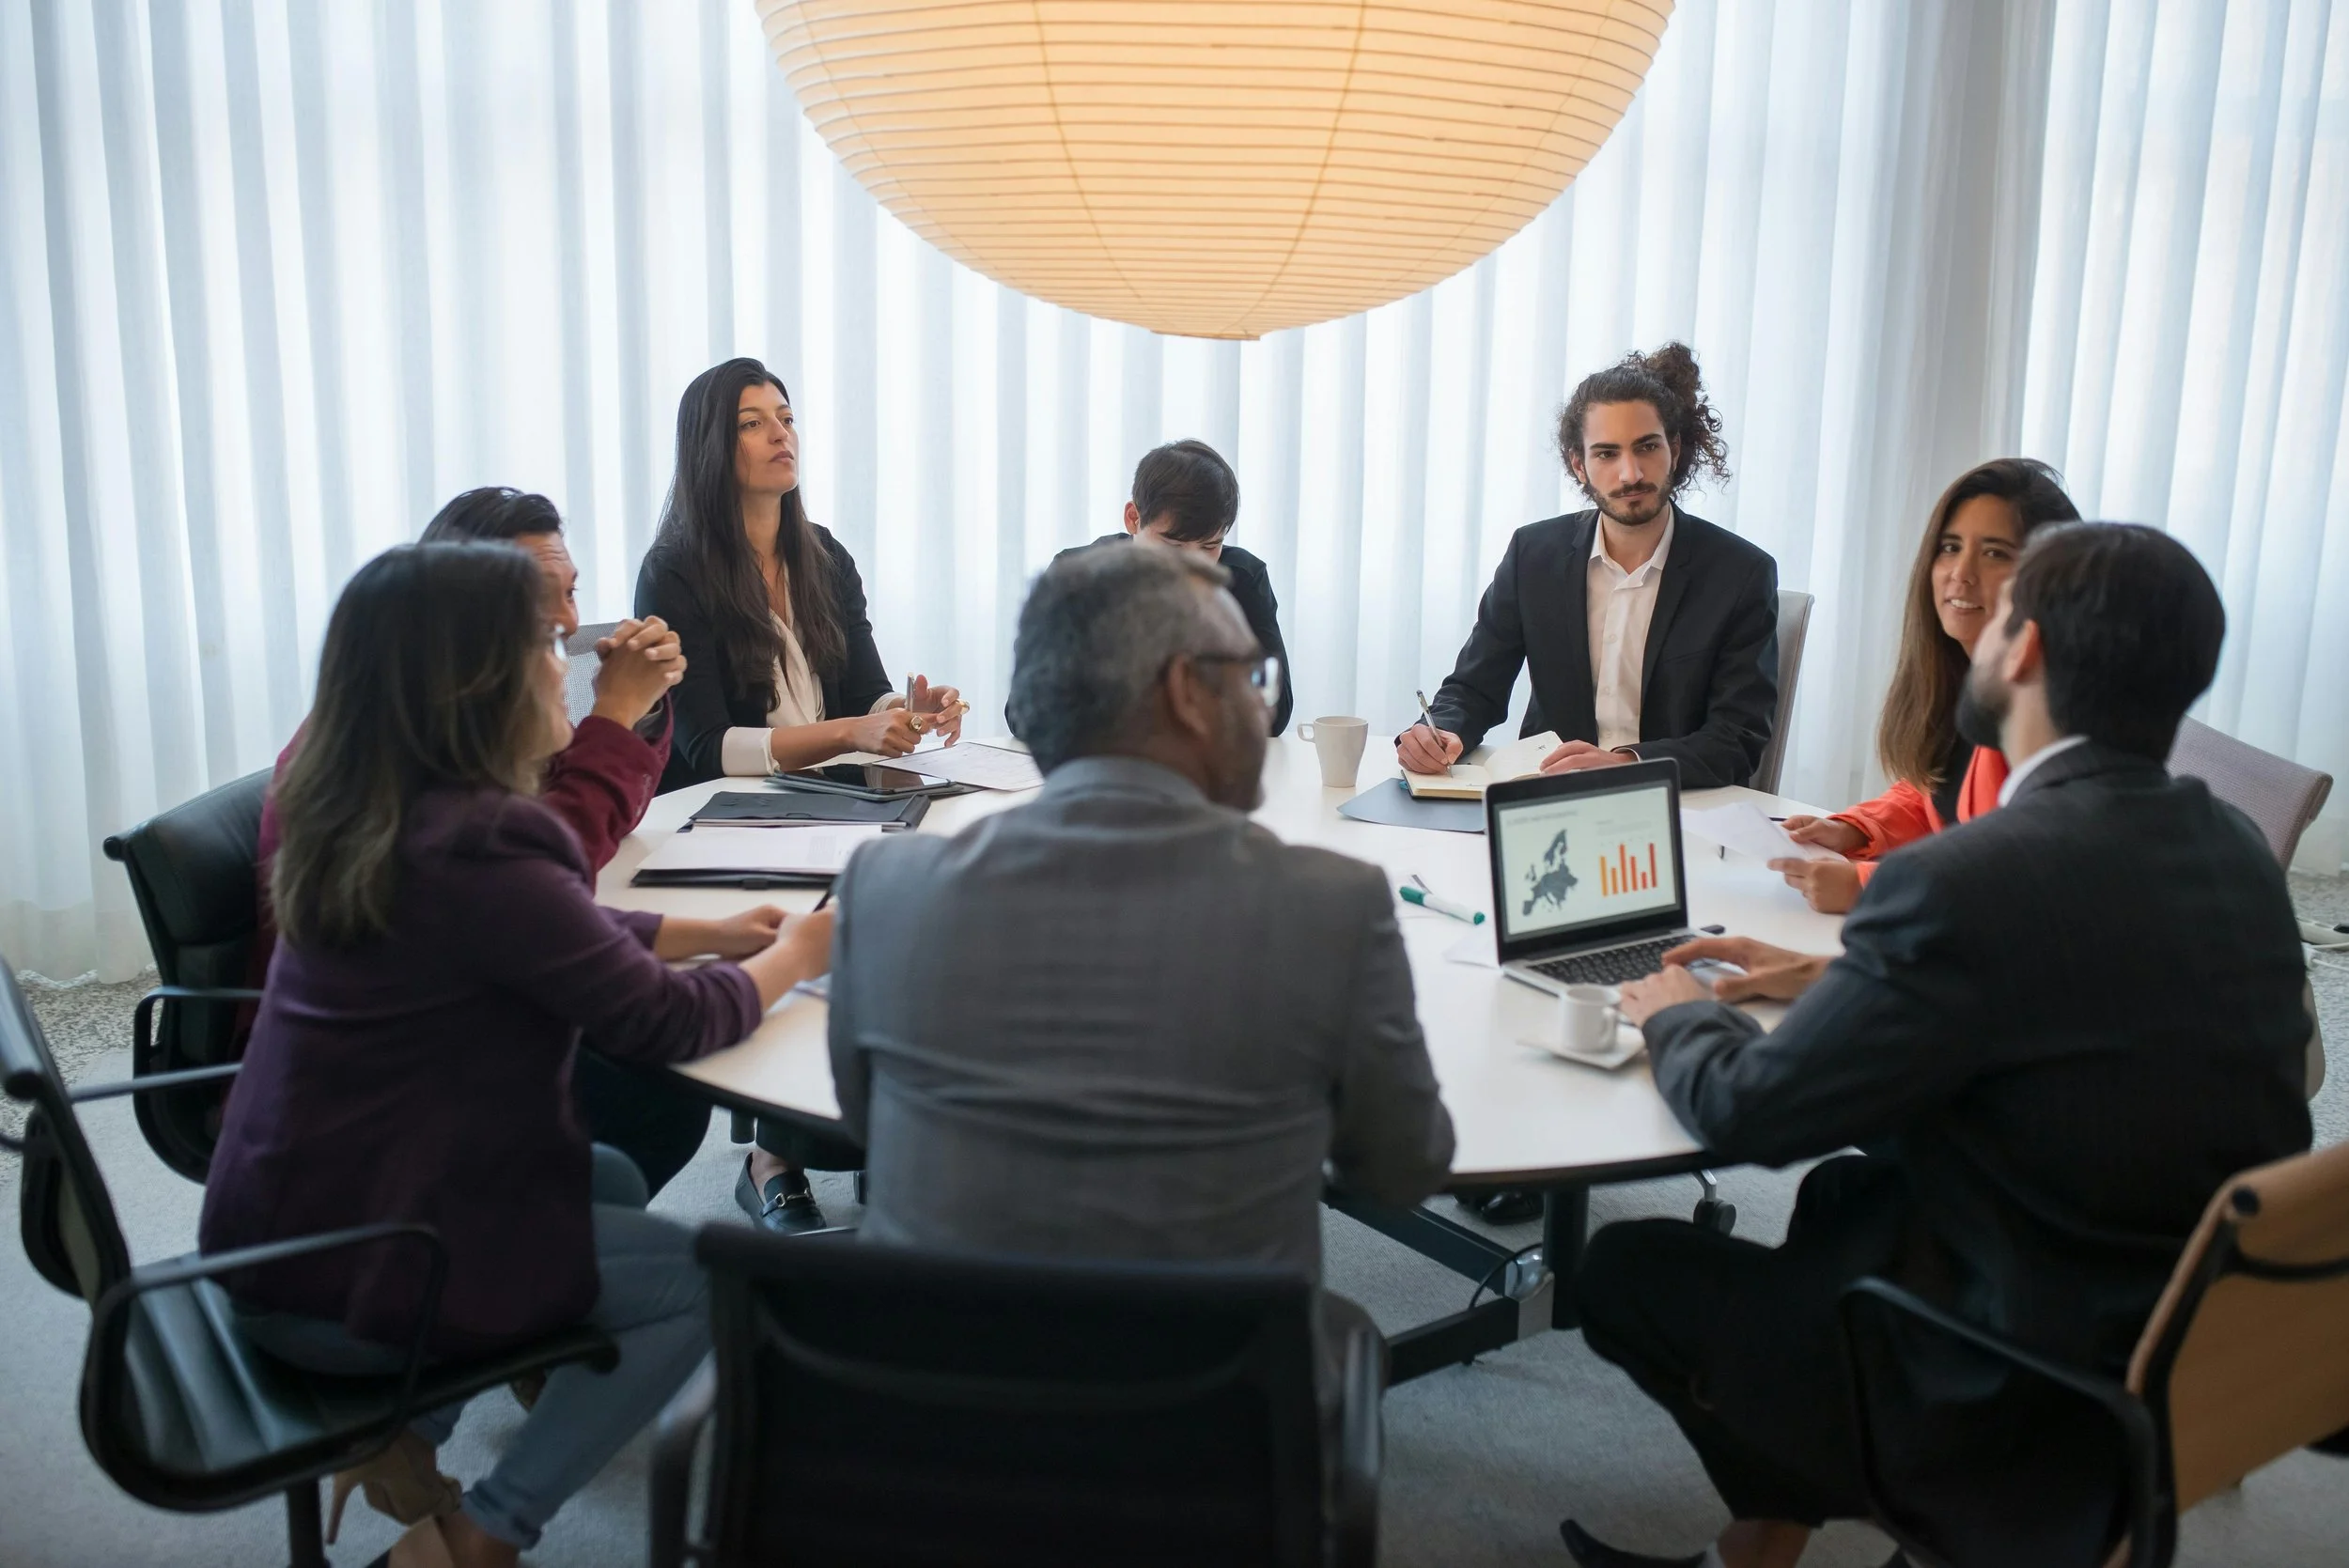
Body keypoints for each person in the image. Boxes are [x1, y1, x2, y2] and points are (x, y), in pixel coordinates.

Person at [1560, 523, 2312, 1568]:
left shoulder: (1970, 876)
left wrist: (1676, 1008)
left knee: (1623, 1269)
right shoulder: (2229, 845)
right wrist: (1830, 977)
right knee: (1841, 1201)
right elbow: (2075, 1002)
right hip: (2184, 1332)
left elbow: (1752, 1114)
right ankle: (1757, 1546)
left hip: (2019, 1379)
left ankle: (1910, 1502)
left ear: (2027, 649)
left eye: (2000, 614)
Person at [200, 543, 833, 1568]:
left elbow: (532, 933)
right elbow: (666, 1026)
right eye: (544, 645)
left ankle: (409, 1431)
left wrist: (711, 935)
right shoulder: (485, 840)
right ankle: (482, 1532)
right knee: (702, 1283)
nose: (565, 666)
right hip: (354, 1269)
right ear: (473, 682)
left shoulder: (375, 809)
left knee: (612, 1172)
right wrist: (803, 948)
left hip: (277, 1222)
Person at [828, 540, 1455, 1405]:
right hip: (1208, 1447)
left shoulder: (885, 889)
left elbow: (867, 1129)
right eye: (1250, 674)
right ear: (1187, 694)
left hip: (927, 1430)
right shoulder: (1329, 908)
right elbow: (1403, 1171)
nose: (1261, 703)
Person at [245, 487, 716, 1199]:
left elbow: (535, 864)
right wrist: (614, 716)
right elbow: (541, 865)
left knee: (650, 1059)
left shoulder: (431, 707)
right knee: (656, 1083)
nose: (567, 622)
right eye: (536, 602)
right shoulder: (389, 756)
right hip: (381, 1075)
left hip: (424, 1006)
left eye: (572, 592)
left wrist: (636, 717)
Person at [634, 357, 963, 1234]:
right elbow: (706, 749)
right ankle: (775, 1153)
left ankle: (876, 1133)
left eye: (785, 415)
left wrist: (909, 711)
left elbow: (867, 692)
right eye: (753, 421)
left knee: (913, 905)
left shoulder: (824, 555)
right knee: (811, 923)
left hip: (838, 800)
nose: (782, 434)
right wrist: (854, 733)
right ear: (713, 444)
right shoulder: (675, 572)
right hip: (730, 817)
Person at [1398, 342, 1779, 791]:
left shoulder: (1740, 573)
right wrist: (1440, 730)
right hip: (1552, 801)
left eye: (1647, 447)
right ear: (1578, 464)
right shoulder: (1532, 554)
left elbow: (1737, 739)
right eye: (1606, 454)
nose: (1630, 473)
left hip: (1677, 806)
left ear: (1674, 449)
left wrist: (1626, 763)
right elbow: (1474, 687)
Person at [1767, 459, 2079, 913]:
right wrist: (1855, 829)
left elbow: (2009, 877)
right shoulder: (1966, 673)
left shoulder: (2044, 713)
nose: (1961, 573)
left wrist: (1870, 885)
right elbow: (1935, 791)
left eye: (1995, 553)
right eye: (1950, 547)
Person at [1046, 438, 1294, 734]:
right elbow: (1024, 711)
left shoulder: (1242, 579)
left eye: (1209, 546)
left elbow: (1275, 712)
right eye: (1173, 545)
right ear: (1133, 519)